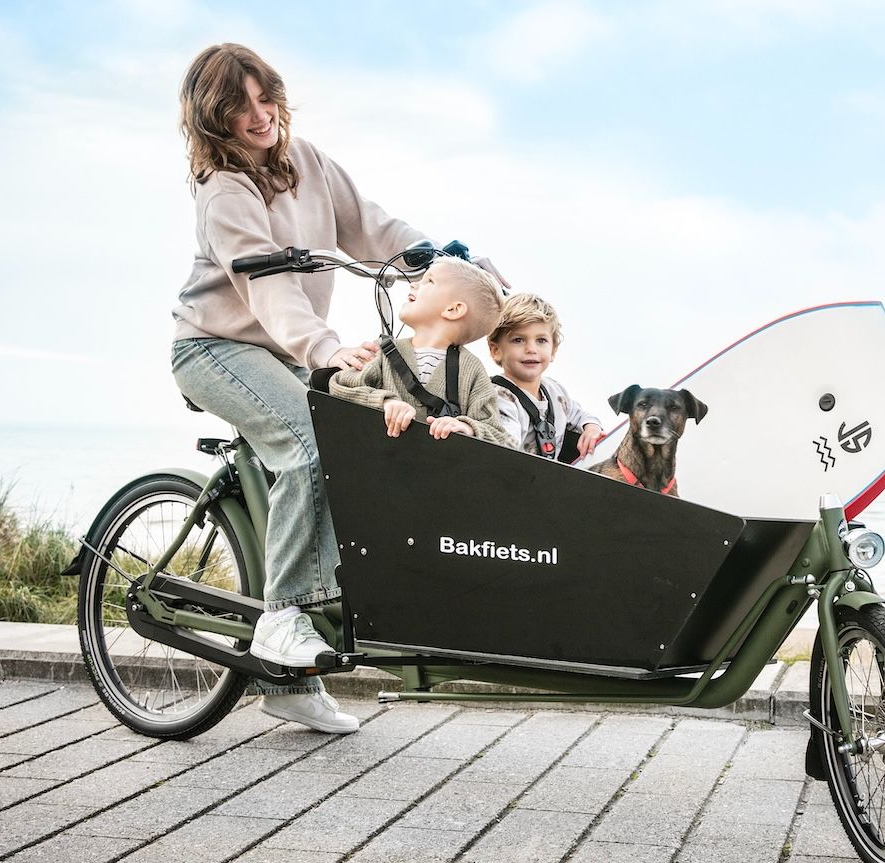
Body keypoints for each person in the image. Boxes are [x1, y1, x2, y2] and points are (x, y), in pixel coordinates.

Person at [170, 43, 503, 734]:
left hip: (279, 352)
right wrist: (325, 352)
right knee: (303, 441)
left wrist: (443, 258)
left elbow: (372, 228)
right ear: (213, 117)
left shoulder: (309, 163)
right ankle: (282, 618)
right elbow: (270, 293)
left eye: (268, 99)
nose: (260, 117)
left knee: (351, 451)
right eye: (240, 106)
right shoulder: (225, 195)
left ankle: (292, 684)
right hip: (215, 346)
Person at [329, 257, 513, 447]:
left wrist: (466, 428)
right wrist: (385, 403)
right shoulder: (383, 352)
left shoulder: (471, 369)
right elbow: (340, 387)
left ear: (453, 309)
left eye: (429, 281)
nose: (413, 284)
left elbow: (500, 436)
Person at [486, 294, 604, 461]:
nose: (531, 349)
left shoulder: (555, 391)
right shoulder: (498, 396)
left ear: (553, 350)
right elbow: (505, 447)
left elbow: (581, 415)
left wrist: (591, 428)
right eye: (518, 340)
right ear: (495, 350)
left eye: (541, 340)